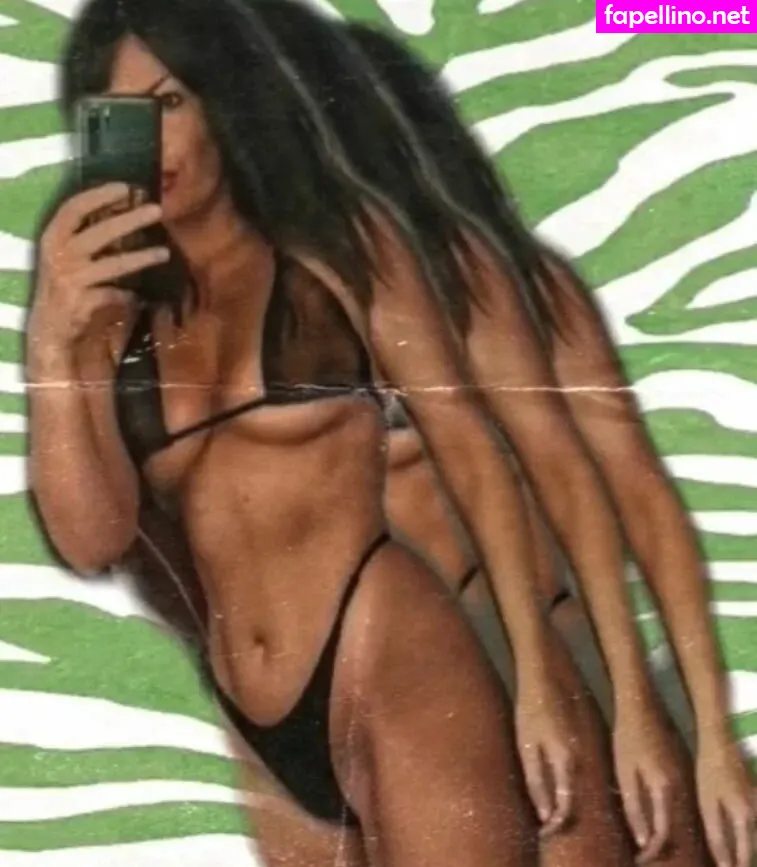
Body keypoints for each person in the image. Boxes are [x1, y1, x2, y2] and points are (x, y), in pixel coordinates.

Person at [25, 0, 579, 864]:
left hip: (386, 648)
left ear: (222, 101)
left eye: (171, 101)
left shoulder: (334, 246)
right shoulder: (106, 308)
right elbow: (90, 538)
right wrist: (54, 344)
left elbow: (471, 451)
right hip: (255, 715)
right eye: (123, 113)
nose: (154, 139)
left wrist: (536, 676)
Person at [345, 19, 755, 867]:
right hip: (376, 697)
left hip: (540, 663)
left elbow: (640, 497)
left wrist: (701, 734)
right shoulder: (279, 312)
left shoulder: (515, 287)